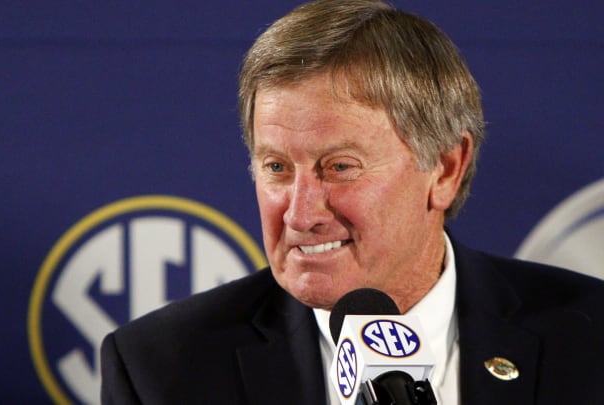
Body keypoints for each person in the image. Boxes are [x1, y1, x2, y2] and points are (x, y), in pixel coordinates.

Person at [100, 1, 604, 403]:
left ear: (446, 170)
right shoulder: (162, 370)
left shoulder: (589, 338)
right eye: (276, 167)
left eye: (338, 167)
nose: (299, 214)